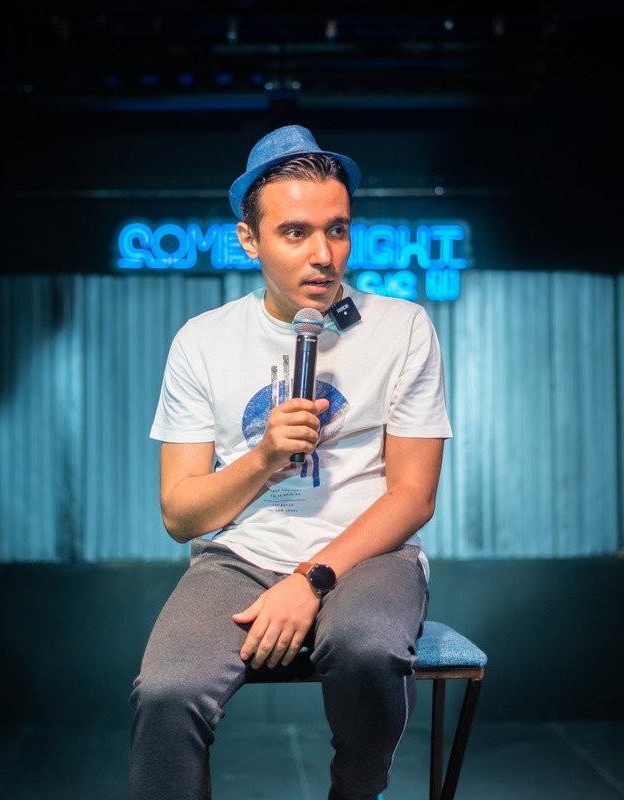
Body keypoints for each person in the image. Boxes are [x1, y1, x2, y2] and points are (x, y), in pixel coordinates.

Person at [129, 125, 452, 800]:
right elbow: (181, 516)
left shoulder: (402, 328)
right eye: (295, 233)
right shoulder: (203, 342)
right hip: (240, 559)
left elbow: (414, 495)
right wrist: (265, 457)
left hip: (366, 556)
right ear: (249, 240)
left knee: (366, 645)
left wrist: (311, 579)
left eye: (337, 230)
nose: (323, 255)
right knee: (166, 691)